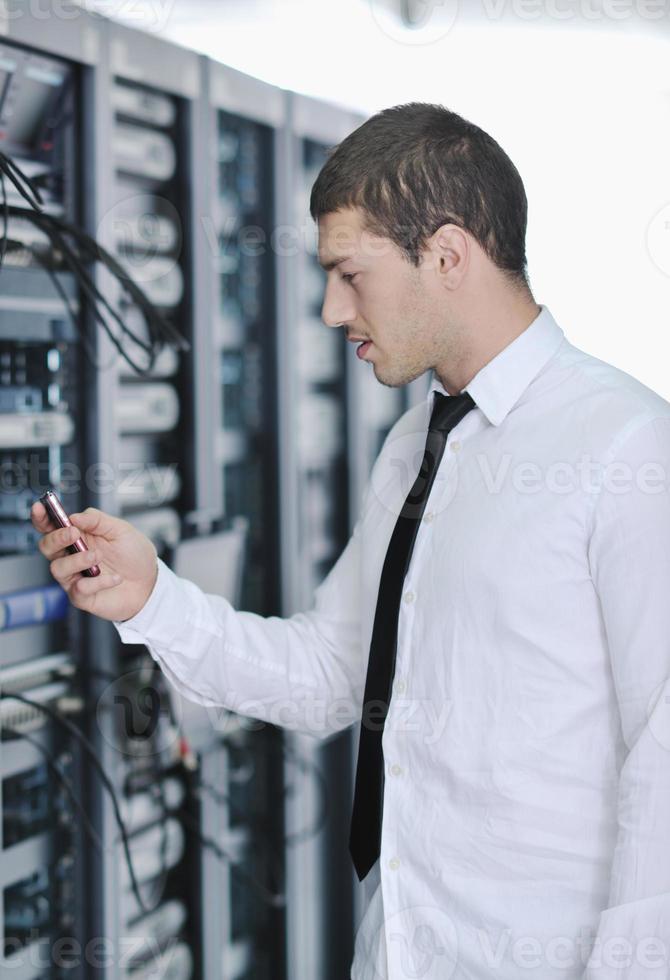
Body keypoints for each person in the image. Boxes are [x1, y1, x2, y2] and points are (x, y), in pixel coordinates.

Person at [32, 103, 670, 980]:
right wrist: (153, 599)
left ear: (447, 256)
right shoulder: (413, 446)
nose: (333, 309)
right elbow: (333, 676)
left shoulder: (626, 448)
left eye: (349, 274)